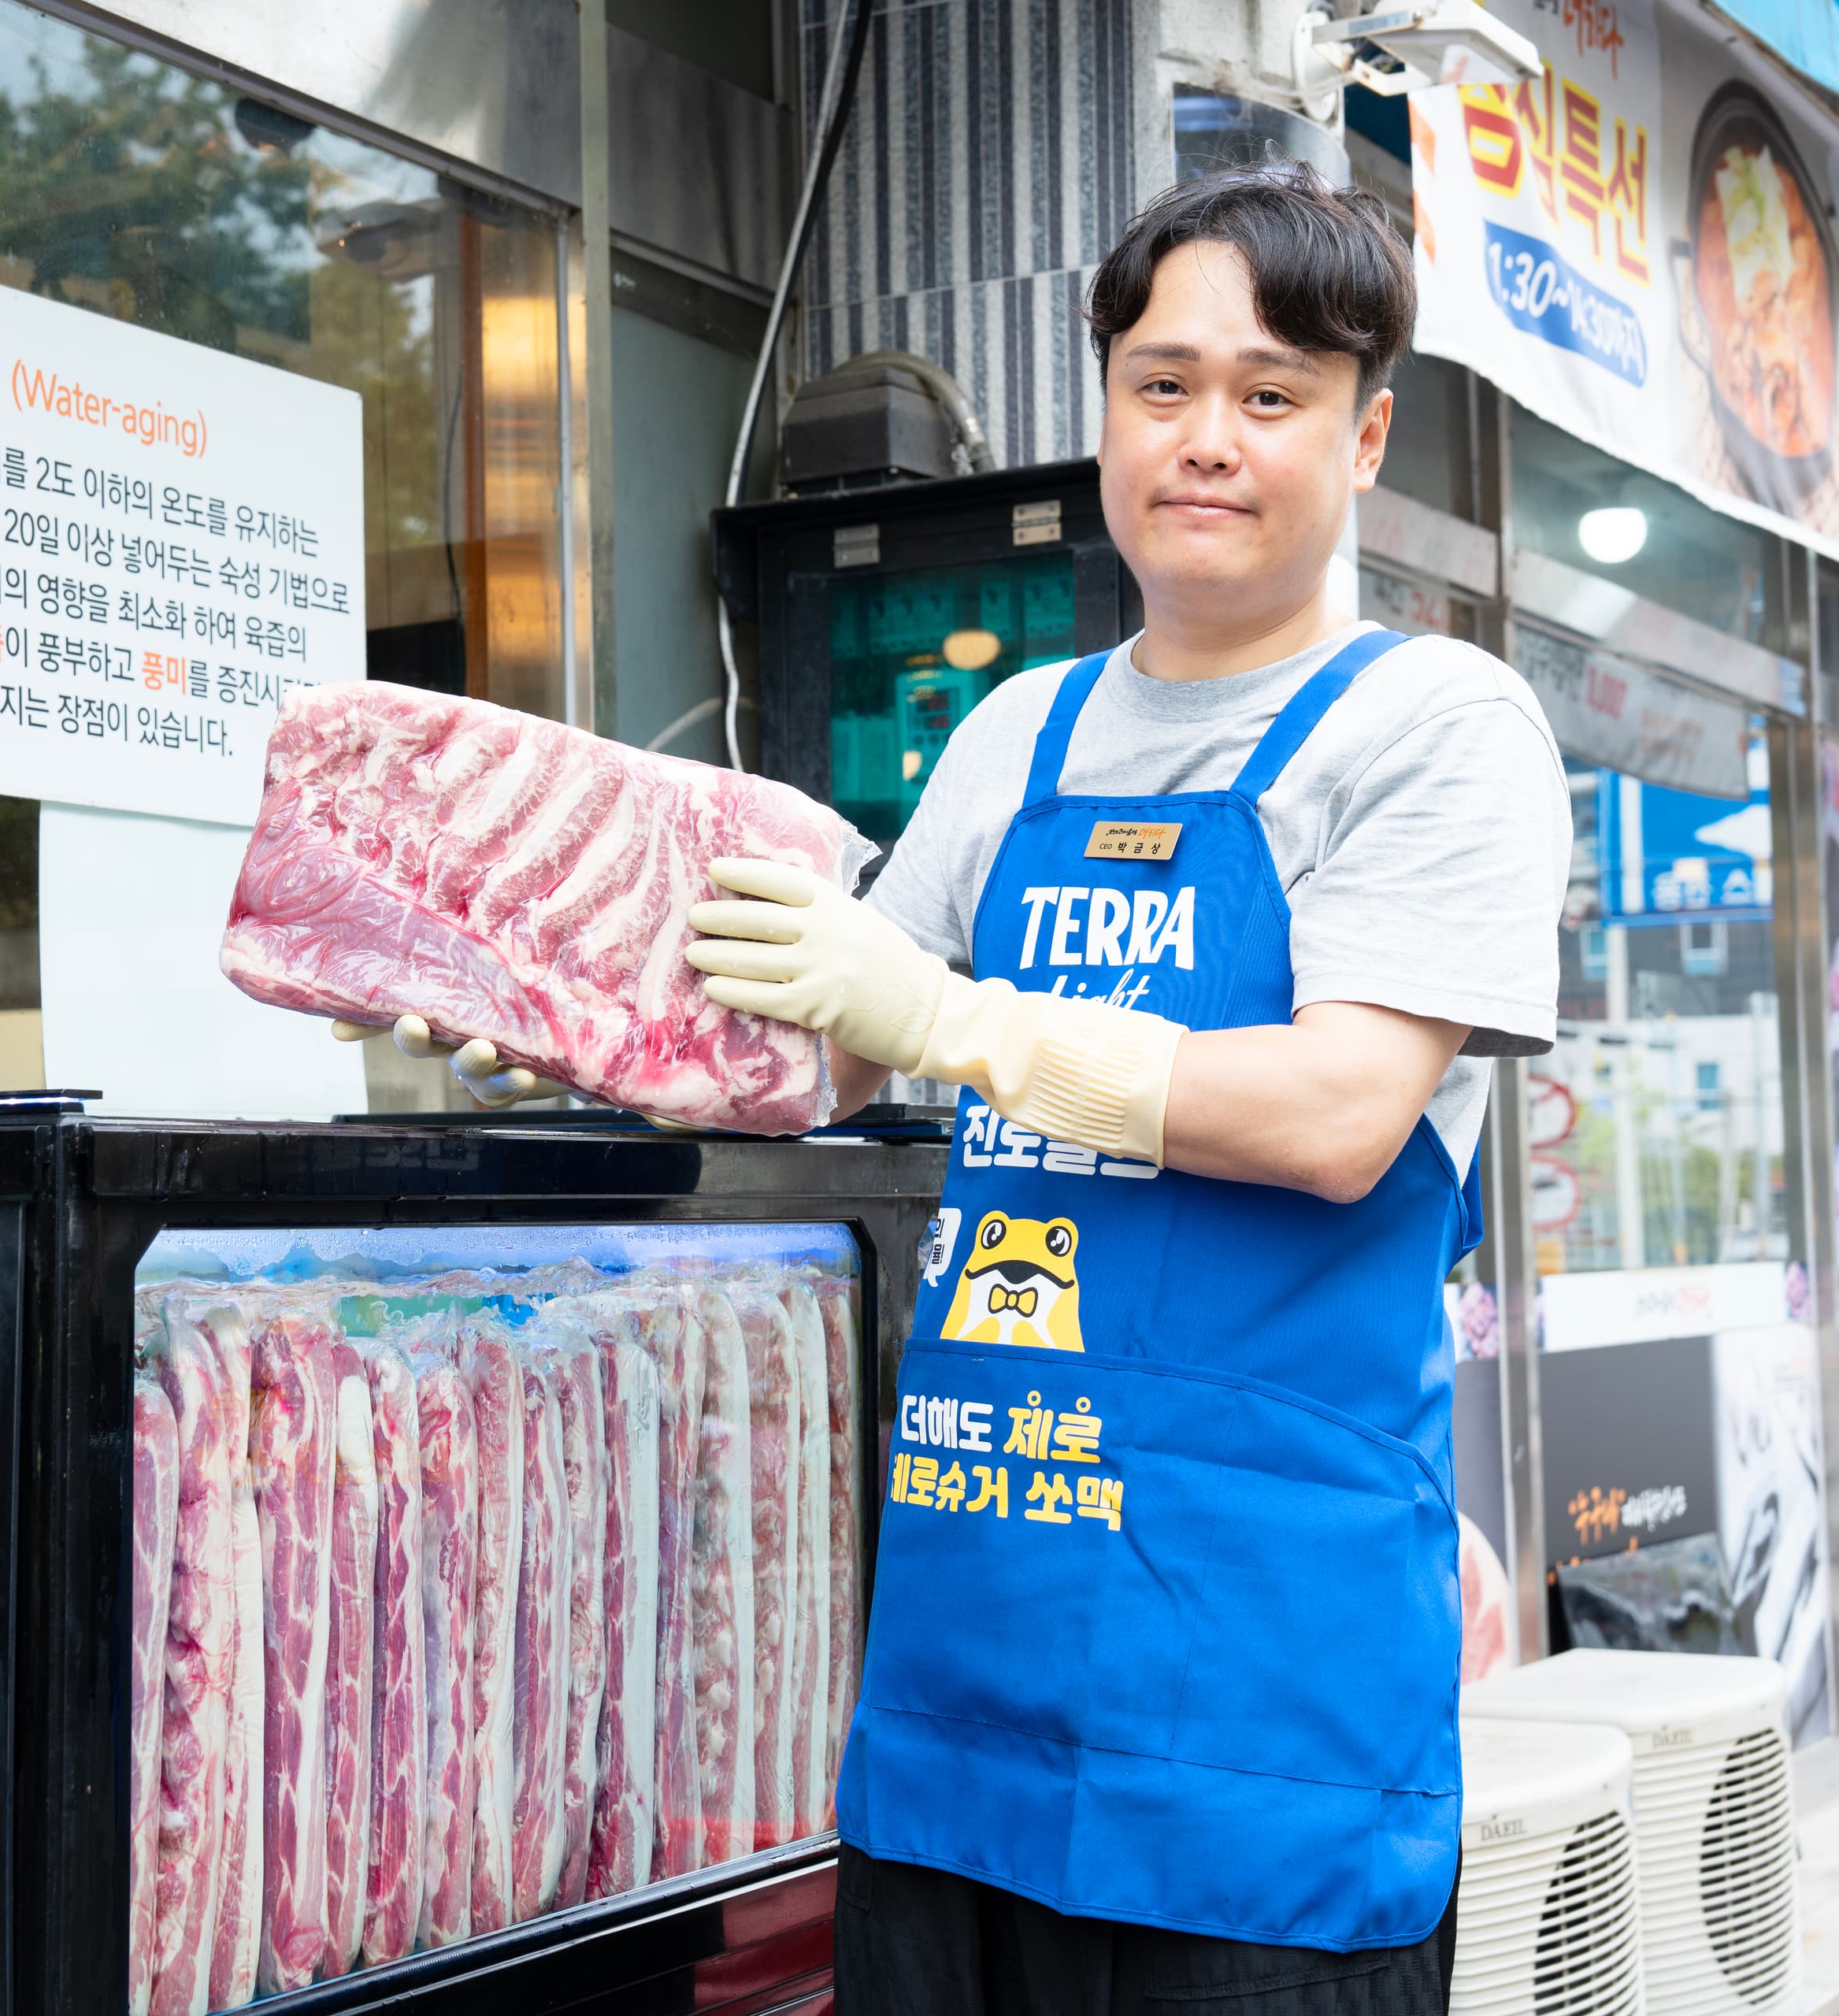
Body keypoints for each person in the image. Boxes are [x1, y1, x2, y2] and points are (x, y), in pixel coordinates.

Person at [673, 164, 1571, 2012]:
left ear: (1365, 432)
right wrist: (582, 996)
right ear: (1104, 413)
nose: (1209, 438)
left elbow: (1339, 1115)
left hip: (1265, 1719)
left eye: (1272, 393)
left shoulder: (1441, 727)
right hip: (968, 1681)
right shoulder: (1020, 730)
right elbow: (826, 1036)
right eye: (1162, 386)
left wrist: (958, 1021)